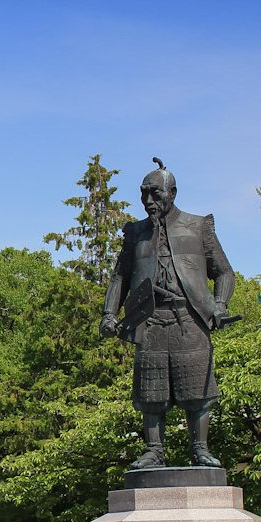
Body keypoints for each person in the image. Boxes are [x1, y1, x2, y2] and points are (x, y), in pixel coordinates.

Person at [100, 158, 236, 469]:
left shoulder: (198, 226)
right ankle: (154, 450)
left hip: (190, 319)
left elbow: (224, 272)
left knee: (197, 392)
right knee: (151, 393)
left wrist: (220, 305)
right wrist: (109, 313)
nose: (148, 200)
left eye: (155, 193)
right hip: (149, 320)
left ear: (172, 193)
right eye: (143, 193)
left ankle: (200, 449)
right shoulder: (135, 233)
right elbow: (120, 277)